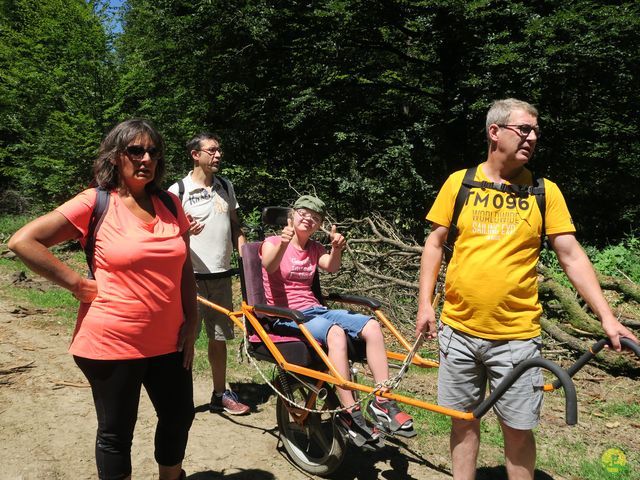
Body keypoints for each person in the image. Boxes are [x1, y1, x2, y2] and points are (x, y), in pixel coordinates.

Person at [415, 98, 638, 480]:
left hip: (516, 338)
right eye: (524, 129)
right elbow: (434, 243)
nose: (532, 137)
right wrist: (424, 304)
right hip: (458, 332)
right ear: (495, 132)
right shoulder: (460, 182)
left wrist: (607, 317)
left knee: (518, 430)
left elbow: (570, 255)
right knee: (463, 422)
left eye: (535, 131)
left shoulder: (544, 191)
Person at [8, 119, 198, 480]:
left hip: (171, 341)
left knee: (178, 416)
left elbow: (184, 267)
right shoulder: (95, 201)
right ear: (115, 155)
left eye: (153, 151)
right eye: (135, 150)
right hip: (112, 342)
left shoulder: (171, 204)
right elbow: (22, 241)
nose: (146, 158)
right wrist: (78, 285)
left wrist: (194, 319)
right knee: (116, 435)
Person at [260, 195, 414, 448]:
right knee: (335, 333)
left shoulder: (313, 248)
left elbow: (331, 267)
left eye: (316, 218)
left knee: (372, 325)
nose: (309, 219)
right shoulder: (272, 242)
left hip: (315, 311)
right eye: (304, 213)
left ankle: (383, 400)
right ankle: (348, 411)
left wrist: (337, 249)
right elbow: (268, 264)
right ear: (291, 216)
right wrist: (284, 243)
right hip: (285, 315)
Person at [168, 132, 249, 415]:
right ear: (195, 155)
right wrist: (183, 232)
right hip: (189, 278)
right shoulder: (177, 191)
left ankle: (219, 394)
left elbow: (235, 225)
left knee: (218, 338)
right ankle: (178, 399)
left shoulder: (226, 186)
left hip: (222, 276)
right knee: (183, 339)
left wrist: (246, 256)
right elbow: (161, 236)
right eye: (212, 150)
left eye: (219, 150)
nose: (218, 155)